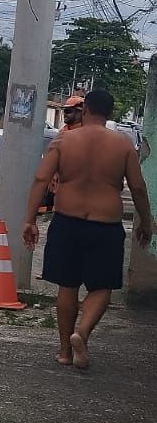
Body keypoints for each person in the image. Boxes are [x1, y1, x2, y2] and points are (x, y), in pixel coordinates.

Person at [22, 88, 153, 370]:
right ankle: (81, 333)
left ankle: (64, 352)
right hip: (105, 226)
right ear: (110, 113)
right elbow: (138, 187)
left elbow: (41, 179)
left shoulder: (63, 141)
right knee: (102, 287)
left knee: (67, 285)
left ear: (86, 110)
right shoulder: (123, 146)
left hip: (67, 221)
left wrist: (29, 220)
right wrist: (146, 221)